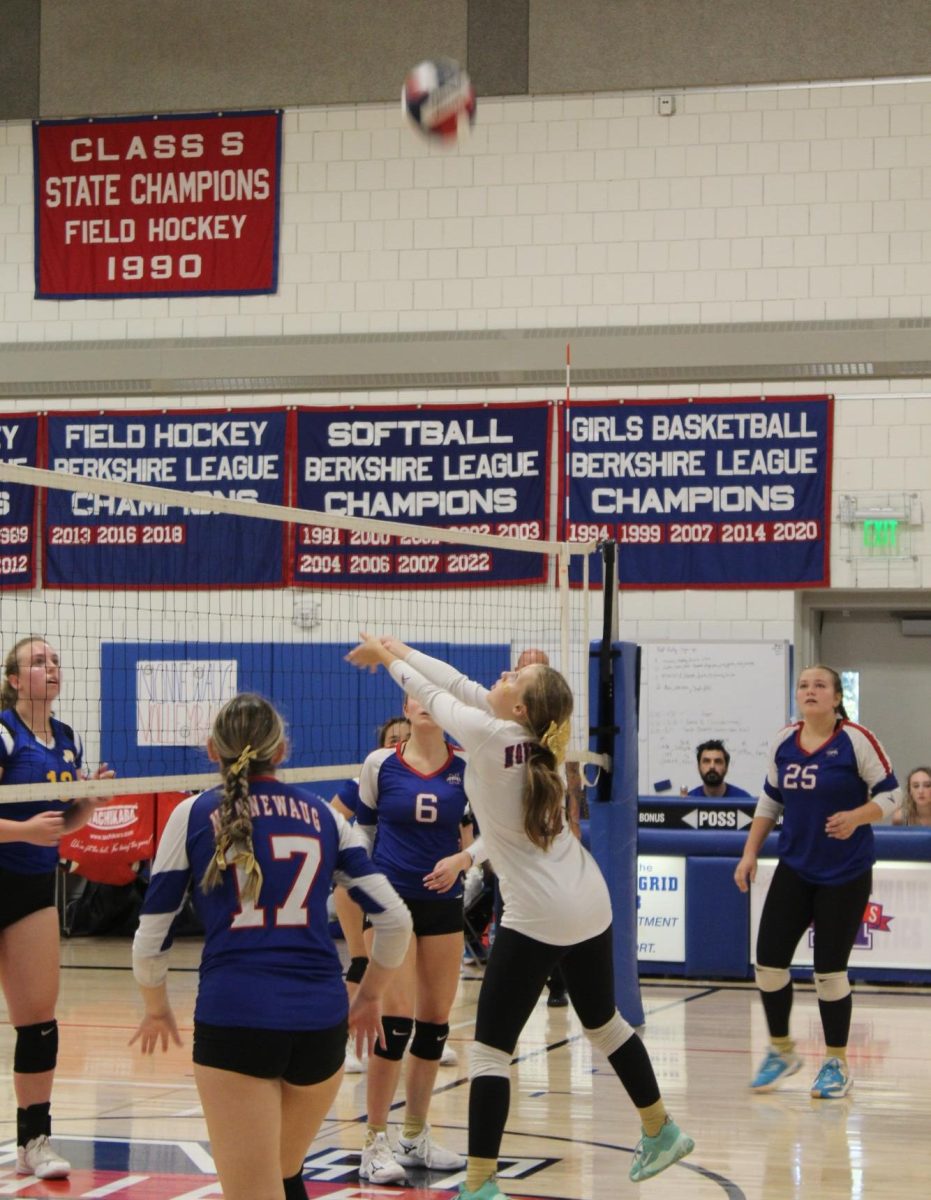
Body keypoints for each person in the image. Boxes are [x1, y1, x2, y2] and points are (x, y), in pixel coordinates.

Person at [347, 634, 694, 1196]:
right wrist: (400, 648)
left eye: (513, 680)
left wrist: (387, 659)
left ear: (521, 708)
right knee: (603, 1022)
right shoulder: (543, 743)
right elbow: (458, 684)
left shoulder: (488, 736)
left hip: (538, 913)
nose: (503, 677)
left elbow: (435, 697)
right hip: (588, 898)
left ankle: (481, 1184)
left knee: (490, 1051)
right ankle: (660, 1127)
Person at [130, 693, 412, 1200]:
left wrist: (155, 1007)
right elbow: (395, 919)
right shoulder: (326, 818)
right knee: (283, 1175)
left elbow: (152, 936)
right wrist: (369, 995)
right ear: (282, 751)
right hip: (320, 1027)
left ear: (211, 751)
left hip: (236, 1019)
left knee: (254, 1189)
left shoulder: (192, 814)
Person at [734, 664, 901, 1100]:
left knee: (829, 972)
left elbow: (892, 794)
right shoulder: (784, 741)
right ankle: (781, 1049)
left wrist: (856, 817)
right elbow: (770, 800)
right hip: (795, 866)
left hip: (846, 872)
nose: (810, 691)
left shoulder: (856, 740)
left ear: (836, 698)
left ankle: (836, 1063)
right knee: (768, 964)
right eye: (803, 685)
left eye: (819, 685)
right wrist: (750, 853)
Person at [0, 635, 115, 1180]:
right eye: (37, 662)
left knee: (39, 1020)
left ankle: (34, 1140)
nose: (50, 668)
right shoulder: (3, 733)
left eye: (54, 661)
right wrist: (22, 828)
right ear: (16, 680)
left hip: (28, 887)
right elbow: (31, 826)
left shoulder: (67, 739)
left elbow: (62, 826)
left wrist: (89, 802)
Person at [355, 694, 476, 1184]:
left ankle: (414, 1135)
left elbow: (485, 836)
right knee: (395, 1023)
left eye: (434, 696)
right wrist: (364, 887)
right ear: (405, 706)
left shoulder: (466, 767)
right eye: (416, 696)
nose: (425, 704)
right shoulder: (380, 764)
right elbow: (361, 834)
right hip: (390, 906)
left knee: (434, 1026)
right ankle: (373, 1141)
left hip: (442, 907)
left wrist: (465, 863)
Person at [330, 714, 410, 1073]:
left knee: (404, 967)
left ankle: (406, 1035)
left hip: (402, 883)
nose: (400, 743)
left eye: (405, 737)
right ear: (381, 744)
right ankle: (341, 1044)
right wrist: (355, 853)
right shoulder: (367, 777)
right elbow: (331, 816)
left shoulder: (426, 778)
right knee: (363, 961)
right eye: (393, 737)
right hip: (363, 882)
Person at [685, 740, 752, 798]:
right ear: (698, 767)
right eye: (706, 761)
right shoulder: (689, 800)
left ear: (726, 767)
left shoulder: (743, 799)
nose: (712, 766)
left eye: (718, 761)